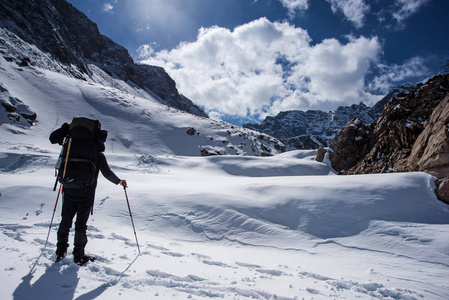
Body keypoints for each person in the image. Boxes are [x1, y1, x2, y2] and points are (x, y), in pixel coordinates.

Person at [50, 119, 127, 265]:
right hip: (86, 192)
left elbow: (53, 139)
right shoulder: (96, 154)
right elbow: (107, 173)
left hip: (68, 188)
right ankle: (78, 256)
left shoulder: (69, 147)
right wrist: (119, 181)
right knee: (80, 225)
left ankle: (60, 252)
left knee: (65, 220)